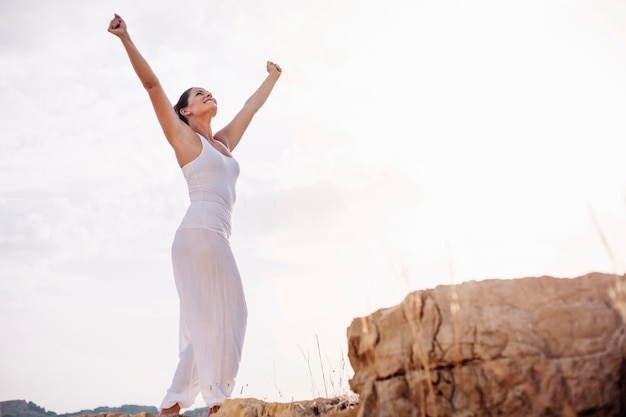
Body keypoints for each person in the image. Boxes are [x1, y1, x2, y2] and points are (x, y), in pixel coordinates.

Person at [107, 13, 282, 416]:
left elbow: (249, 109)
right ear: (184, 111)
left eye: (208, 91)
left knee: (203, 326)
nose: (207, 95)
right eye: (198, 94)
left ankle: (173, 406)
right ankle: (218, 401)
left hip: (206, 236)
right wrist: (125, 37)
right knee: (232, 312)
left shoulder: (221, 144)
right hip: (201, 231)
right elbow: (152, 86)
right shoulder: (184, 139)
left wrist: (272, 77)